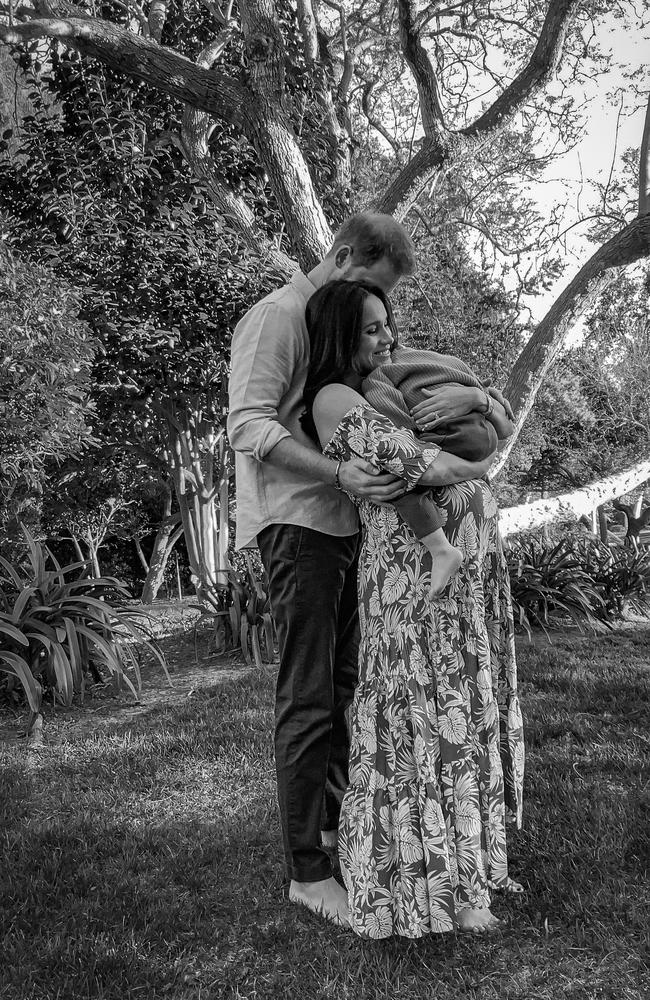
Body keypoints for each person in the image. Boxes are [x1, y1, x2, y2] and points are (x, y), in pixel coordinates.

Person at [302, 279, 525, 938]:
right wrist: (475, 462)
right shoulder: (334, 397)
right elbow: (413, 461)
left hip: (455, 571)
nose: (387, 338)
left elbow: (475, 439)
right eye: (371, 329)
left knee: (458, 705)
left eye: (387, 326)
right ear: (341, 334)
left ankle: (468, 877)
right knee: (414, 715)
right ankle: (416, 883)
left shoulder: (394, 390)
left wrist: (479, 423)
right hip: (407, 578)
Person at [227, 213, 421, 926]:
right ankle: (307, 874)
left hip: (343, 525)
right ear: (341, 256)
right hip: (298, 527)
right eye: (369, 287)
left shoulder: (330, 321)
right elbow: (249, 425)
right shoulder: (278, 317)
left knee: (343, 687)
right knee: (308, 696)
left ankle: (336, 835)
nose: (373, 312)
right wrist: (339, 474)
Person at [362, 342, 515, 596]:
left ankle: (440, 549)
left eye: (383, 326)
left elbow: (400, 434)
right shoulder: (438, 360)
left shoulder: (378, 377)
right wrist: (484, 397)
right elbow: (504, 424)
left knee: (398, 476)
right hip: (481, 429)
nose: (385, 336)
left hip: (454, 435)